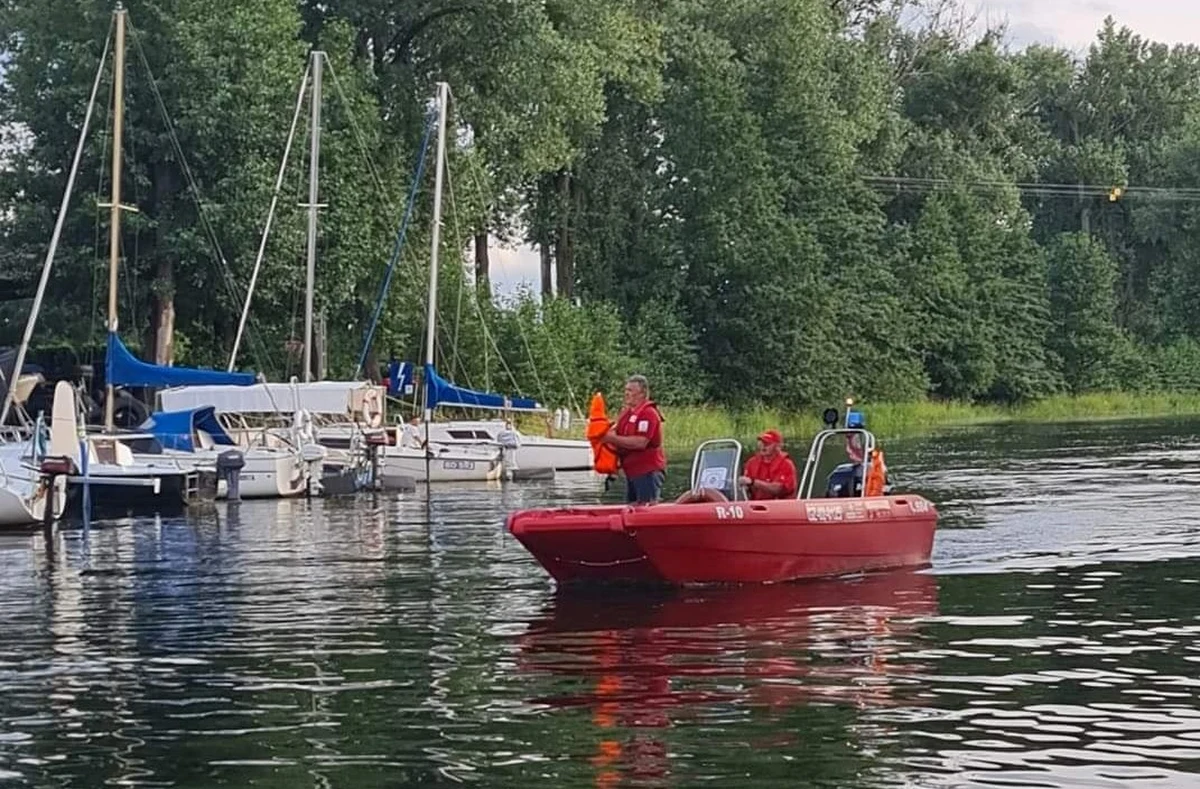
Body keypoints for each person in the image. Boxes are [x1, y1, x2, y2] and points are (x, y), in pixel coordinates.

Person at [602, 374, 666, 503]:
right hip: (632, 472)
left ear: (642, 393)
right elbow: (615, 432)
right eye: (625, 390)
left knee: (646, 509)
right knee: (631, 507)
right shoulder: (627, 413)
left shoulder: (648, 413)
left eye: (630, 390)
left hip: (647, 472)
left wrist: (611, 438)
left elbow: (640, 442)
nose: (626, 393)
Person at [738, 429, 797, 500]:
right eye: (761, 443)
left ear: (778, 446)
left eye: (767, 444)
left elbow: (779, 489)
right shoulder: (751, 462)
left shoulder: (786, 464)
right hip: (756, 506)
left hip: (780, 506)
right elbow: (746, 486)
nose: (763, 446)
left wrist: (753, 482)